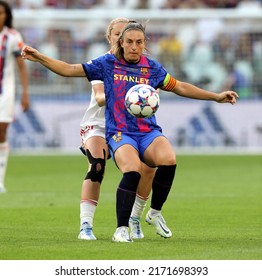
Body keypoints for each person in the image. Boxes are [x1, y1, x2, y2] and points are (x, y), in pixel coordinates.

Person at [21, 21, 239, 242]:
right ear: (121, 43)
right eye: (130, 42)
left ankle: (154, 213)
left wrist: (216, 96)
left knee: (169, 159)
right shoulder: (106, 64)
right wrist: (40, 57)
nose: (134, 47)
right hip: (120, 132)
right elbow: (69, 69)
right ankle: (120, 229)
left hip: (147, 131)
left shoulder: (152, 68)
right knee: (131, 169)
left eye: (139, 42)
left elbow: (180, 86)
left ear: (145, 44)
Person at [78, 18, 157, 241]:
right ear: (112, 38)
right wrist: (126, 97)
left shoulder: (142, 64)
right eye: (118, 35)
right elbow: (100, 97)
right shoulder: (103, 63)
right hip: (100, 124)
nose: (125, 41)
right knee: (97, 165)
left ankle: (134, 219)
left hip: (128, 126)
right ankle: (86, 225)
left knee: (148, 168)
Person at [0, 1, 29, 193]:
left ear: (7, 15)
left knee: (1, 132)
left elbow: (21, 66)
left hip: (5, 92)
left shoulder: (12, 37)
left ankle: (0, 180)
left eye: (1, 13)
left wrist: (25, 92)